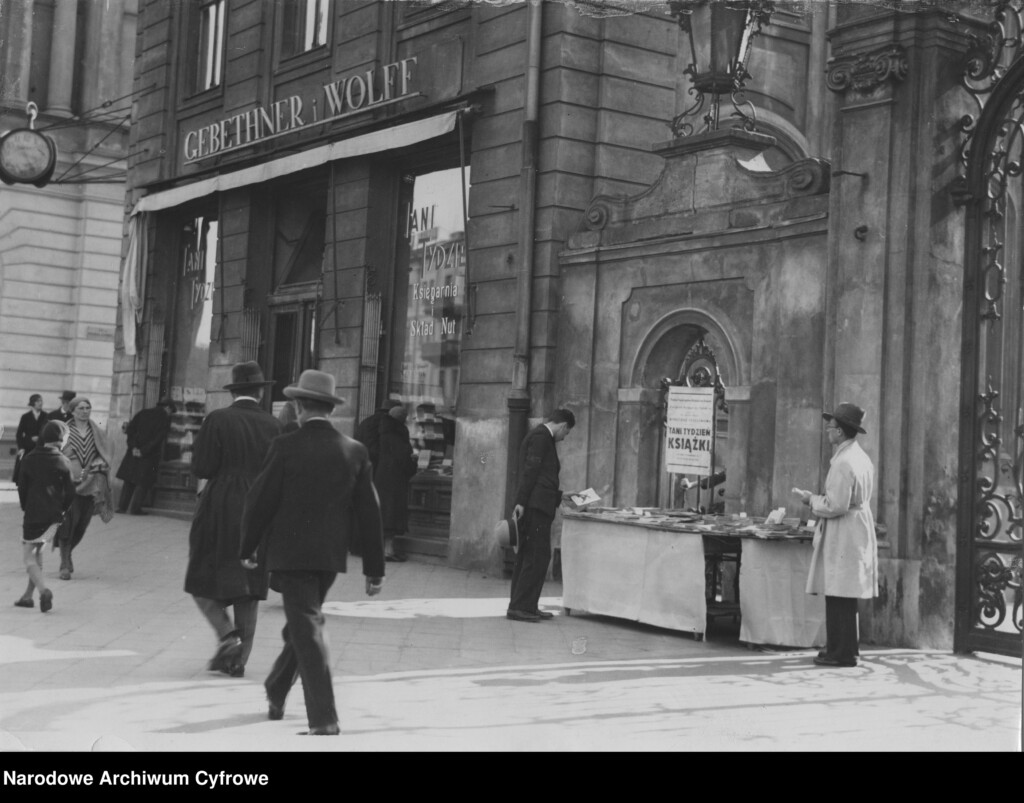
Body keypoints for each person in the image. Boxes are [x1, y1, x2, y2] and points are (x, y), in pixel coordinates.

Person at [240, 369, 385, 735]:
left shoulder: (285, 446)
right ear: (329, 408)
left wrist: (247, 547)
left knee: (307, 626)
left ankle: (324, 718)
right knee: (306, 624)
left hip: (289, 554)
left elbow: (260, 501)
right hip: (329, 559)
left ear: (299, 406)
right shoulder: (354, 450)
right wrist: (375, 568)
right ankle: (276, 686)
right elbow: (370, 511)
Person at [183, 361, 282, 678]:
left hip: (221, 505)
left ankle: (227, 637)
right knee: (250, 589)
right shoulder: (273, 425)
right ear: (260, 391)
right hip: (259, 507)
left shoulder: (218, 419)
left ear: (235, 390)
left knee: (202, 577)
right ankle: (239, 661)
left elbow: (202, 467)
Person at [792, 402, 878, 668]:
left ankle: (840, 652)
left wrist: (811, 500)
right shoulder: (860, 457)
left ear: (840, 432)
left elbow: (836, 504)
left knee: (839, 592)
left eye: (830, 427)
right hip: (856, 528)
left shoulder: (843, 462)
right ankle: (844, 648)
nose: (827, 432)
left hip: (844, 531)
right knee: (845, 593)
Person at [507, 408, 576, 623]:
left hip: (537, 504)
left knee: (533, 556)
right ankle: (520, 607)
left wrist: (561, 495)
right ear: (563, 425)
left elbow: (540, 478)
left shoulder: (542, 438)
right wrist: (520, 502)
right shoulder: (541, 438)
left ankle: (526, 605)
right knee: (536, 556)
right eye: (567, 433)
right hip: (535, 507)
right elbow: (530, 472)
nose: (565, 438)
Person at [15, 421, 74, 612]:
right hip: (54, 517)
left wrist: (26, 507)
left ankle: (43, 591)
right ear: (60, 440)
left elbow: (22, 488)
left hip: (34, 514)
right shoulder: (64, 461)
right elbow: (71, 492)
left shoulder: (29, 459)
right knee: (38, 552)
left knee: (28, 557)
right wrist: (62, 510)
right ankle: (27, 596)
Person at [54, 397, 114, 581]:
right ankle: (64, 562)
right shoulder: (62, 430)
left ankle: (68, 552)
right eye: (81, 408)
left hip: (90, 485)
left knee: (81, 525)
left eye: (88, 407)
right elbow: (52, 452)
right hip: (67, 484)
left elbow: (106, 451)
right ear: (72, 411)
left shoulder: (96, 431)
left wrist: (97, 465)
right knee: (67, 523)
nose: (85, 411)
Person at [115, 398, 176, 515]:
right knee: (143, 482)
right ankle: (135, 508)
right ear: (167, 408)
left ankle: (122, 507)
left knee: (129, 480)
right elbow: (158, 439)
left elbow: (130, 431)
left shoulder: (142, 412)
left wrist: (133, 448)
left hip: (133, 452)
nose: (170, 413)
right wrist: (143, 451)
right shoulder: (165, 419)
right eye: (171, 411)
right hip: (149, 455)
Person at [375, 401, 416, 562]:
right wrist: (413, 463)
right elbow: (403, 457)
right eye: (405, 417)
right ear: (402, 419)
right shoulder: (398, 433)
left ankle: (385, 550)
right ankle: (388, 551)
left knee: (386, 515)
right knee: (392, 515)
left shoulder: (384, 431)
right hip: (395, 479)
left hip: (383, 476)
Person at [13, 394, 48, 484]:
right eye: (38, 401)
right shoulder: (25, 417)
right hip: (27, 448)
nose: (40, 403)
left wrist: (40, 438)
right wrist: (21, 447)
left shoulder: (46, 416)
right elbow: (19, 434)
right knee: (23, 473)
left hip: (41, 448)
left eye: (41, 401)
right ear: (33, 403)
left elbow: (49, 432)